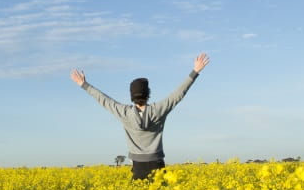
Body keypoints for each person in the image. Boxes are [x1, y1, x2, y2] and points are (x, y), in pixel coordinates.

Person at [71, 53, 210, 180]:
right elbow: (179, 93)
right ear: (148, 93)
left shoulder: (125, 113)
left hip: (138, 168)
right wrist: (195, 71)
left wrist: (84, 84)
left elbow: (104, 100)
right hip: (158, 166)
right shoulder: (158, 110)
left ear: (131, 96)